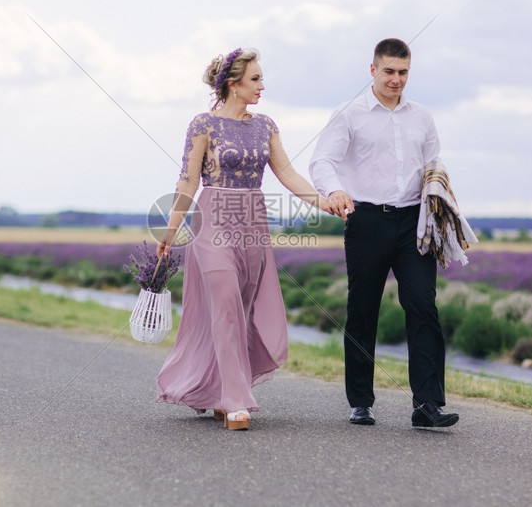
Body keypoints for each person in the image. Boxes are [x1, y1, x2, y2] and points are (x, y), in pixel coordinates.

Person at [156, 48, 331, 430]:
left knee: (244, 307)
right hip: (212, 219)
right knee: (225, 307)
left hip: (253, 220)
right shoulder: (203, 124)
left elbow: (288, 174)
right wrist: (169, 233)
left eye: (261, 79)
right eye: (255, 79)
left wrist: (325, 202)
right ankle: (236, 402)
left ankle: (221, 391)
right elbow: (187, 182)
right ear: (232, 84)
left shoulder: (266, 125)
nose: (261, 86)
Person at [309, 38, 460, 428]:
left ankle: (428, 405)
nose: (396, 80)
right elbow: (322, 160)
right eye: (389, 71)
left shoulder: (422, 116)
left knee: (422, 306)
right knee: (363, 309)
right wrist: (335, 190)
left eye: (403, 72)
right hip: (367, 220)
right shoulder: (349, 114)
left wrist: (441, 198)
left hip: (414, 223)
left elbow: (433, 164)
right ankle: (360, 401)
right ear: (372, 69)